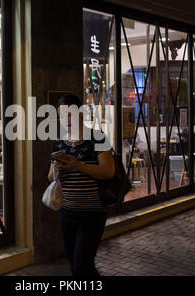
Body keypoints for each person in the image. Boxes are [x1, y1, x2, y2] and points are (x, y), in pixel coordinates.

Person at [48, 94, 115, 276]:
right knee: (73, 263)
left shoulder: (98, 138)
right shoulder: (60, 143)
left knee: (82, 264)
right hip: (67, 212)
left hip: (92, 213)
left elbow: (108, 171)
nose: (66, 119)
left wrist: (78, 166)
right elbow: (49, 177)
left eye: (70, 114)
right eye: (62, 115)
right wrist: (57, 168)